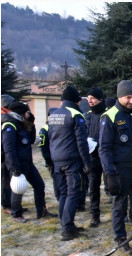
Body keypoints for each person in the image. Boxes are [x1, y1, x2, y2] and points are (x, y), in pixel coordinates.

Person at [99, 80, 132, 252]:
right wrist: (110, 174)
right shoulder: (109, 117)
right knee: (120, 205)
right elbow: (104, 149)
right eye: (128, 98)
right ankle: (121, 238)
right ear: (119, 97)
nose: (131, 101)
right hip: (119, 169)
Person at [48, 85, 92, 240]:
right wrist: (87, 162)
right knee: (74, 193)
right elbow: (82, 142)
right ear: (77, 101)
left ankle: (66, 224)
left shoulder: (53, 115)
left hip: (57, 158)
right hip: (72, 160)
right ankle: (67, 228)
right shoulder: (76, 115)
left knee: (64, 193)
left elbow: (50, 137)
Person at [1, 101, 55, 222]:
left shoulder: (21, 124)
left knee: (39, 185)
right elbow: (9, 149)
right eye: (27, 112)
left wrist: (31, 122)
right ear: (21, 113)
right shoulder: (9, 126)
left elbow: (30, 140)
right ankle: (16, 214)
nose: (28, 114)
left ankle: (41, 211)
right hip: (17, 165)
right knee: (18, 189)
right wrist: (15, 169)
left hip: (28, 163)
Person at [84, 87, 107, 227]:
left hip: (105, 156)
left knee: (112, 186)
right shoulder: (87, 115)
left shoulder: (107, 114)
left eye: (92, 98)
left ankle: (121, 214)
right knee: (93, 187)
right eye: (88, 98)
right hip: (93, 157)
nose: (90, 101)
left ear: (100, 99)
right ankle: (94, 215)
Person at [37, 108, 61, 202]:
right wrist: (48, 160)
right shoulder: (44, 129)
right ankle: (59, 197)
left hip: (60, 157)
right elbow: (43, 146)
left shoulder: (60, 127)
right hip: (51, 159)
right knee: (56, 179)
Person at [1, 94, 16, 213]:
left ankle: (11, 203)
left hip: (6, 153)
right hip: (3, 154)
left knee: (8, 179)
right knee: (5, 179)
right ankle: (6, 205)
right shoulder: (3, 120)